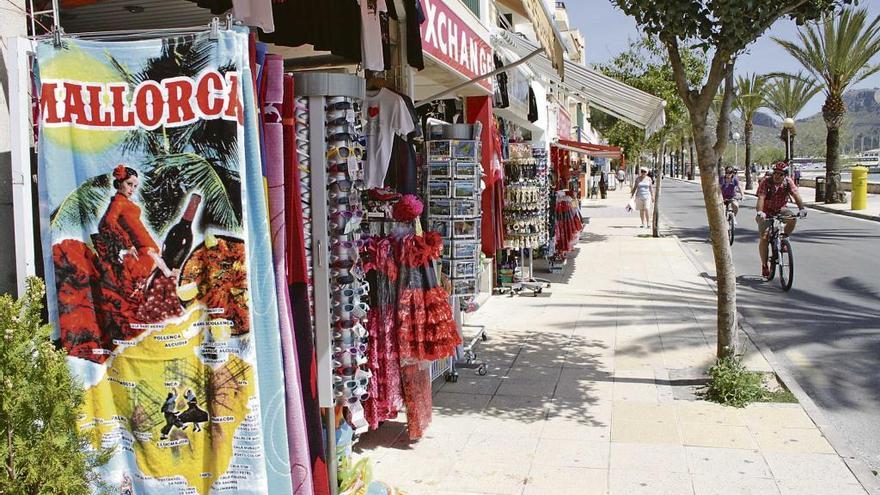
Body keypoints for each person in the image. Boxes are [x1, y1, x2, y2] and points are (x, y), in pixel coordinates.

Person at [755, 161, 807, 278]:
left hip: (780, 209)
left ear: (785, 175)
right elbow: (761, 198)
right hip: (766, 212)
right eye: (776, 173)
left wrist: (802, 208)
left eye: (780, 174)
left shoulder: (788, 182)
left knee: (792, 218)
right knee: (764, 238)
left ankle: (784, 237)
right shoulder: (766, 182)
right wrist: (760, 212)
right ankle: (764, 265)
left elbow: (796, 194)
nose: (777, 176)